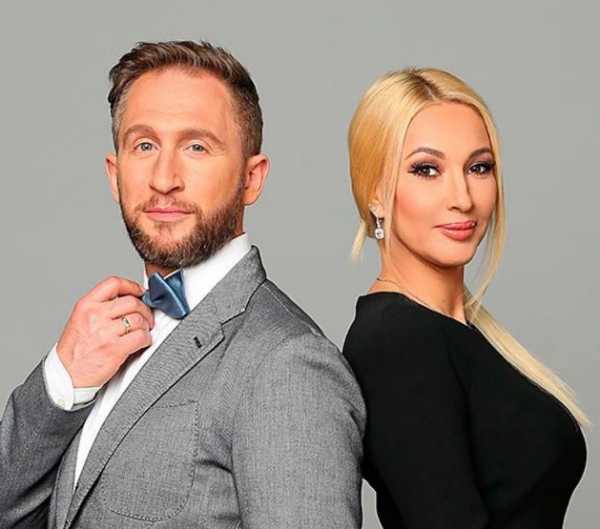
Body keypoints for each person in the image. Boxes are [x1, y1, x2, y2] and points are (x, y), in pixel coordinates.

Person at [0, 40, 365, 529]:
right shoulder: (96, 347)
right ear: (114, 174)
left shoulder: (288, 365)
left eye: (196, 147)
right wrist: (63, 381)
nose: (164, 178)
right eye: (144, 146)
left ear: (252, 179)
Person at [342, 67, 588, 529]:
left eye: (479, 168)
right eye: (426, 170)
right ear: (375, 192)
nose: (463, 197)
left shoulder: (458, 333)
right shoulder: (397, 342)